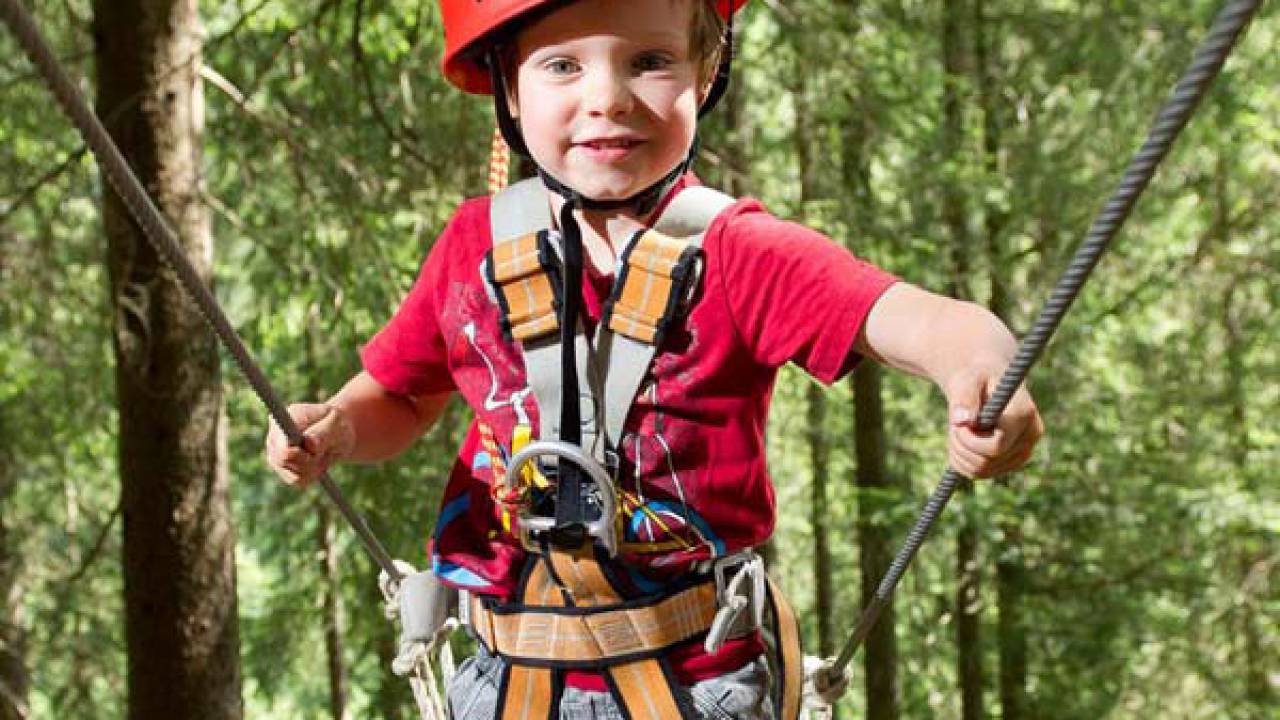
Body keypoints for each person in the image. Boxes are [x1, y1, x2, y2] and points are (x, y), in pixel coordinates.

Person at [265, 1, 1045, 718]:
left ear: (704, 75)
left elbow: (908, 316)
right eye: (562, 65)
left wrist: (978, 361)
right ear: (507, 88)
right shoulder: (474, 248)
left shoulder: (742, 256)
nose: (606, 97)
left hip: (694, 682)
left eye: (649, 62)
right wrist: (336, 428)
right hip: (502, 679)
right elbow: (400, 399)